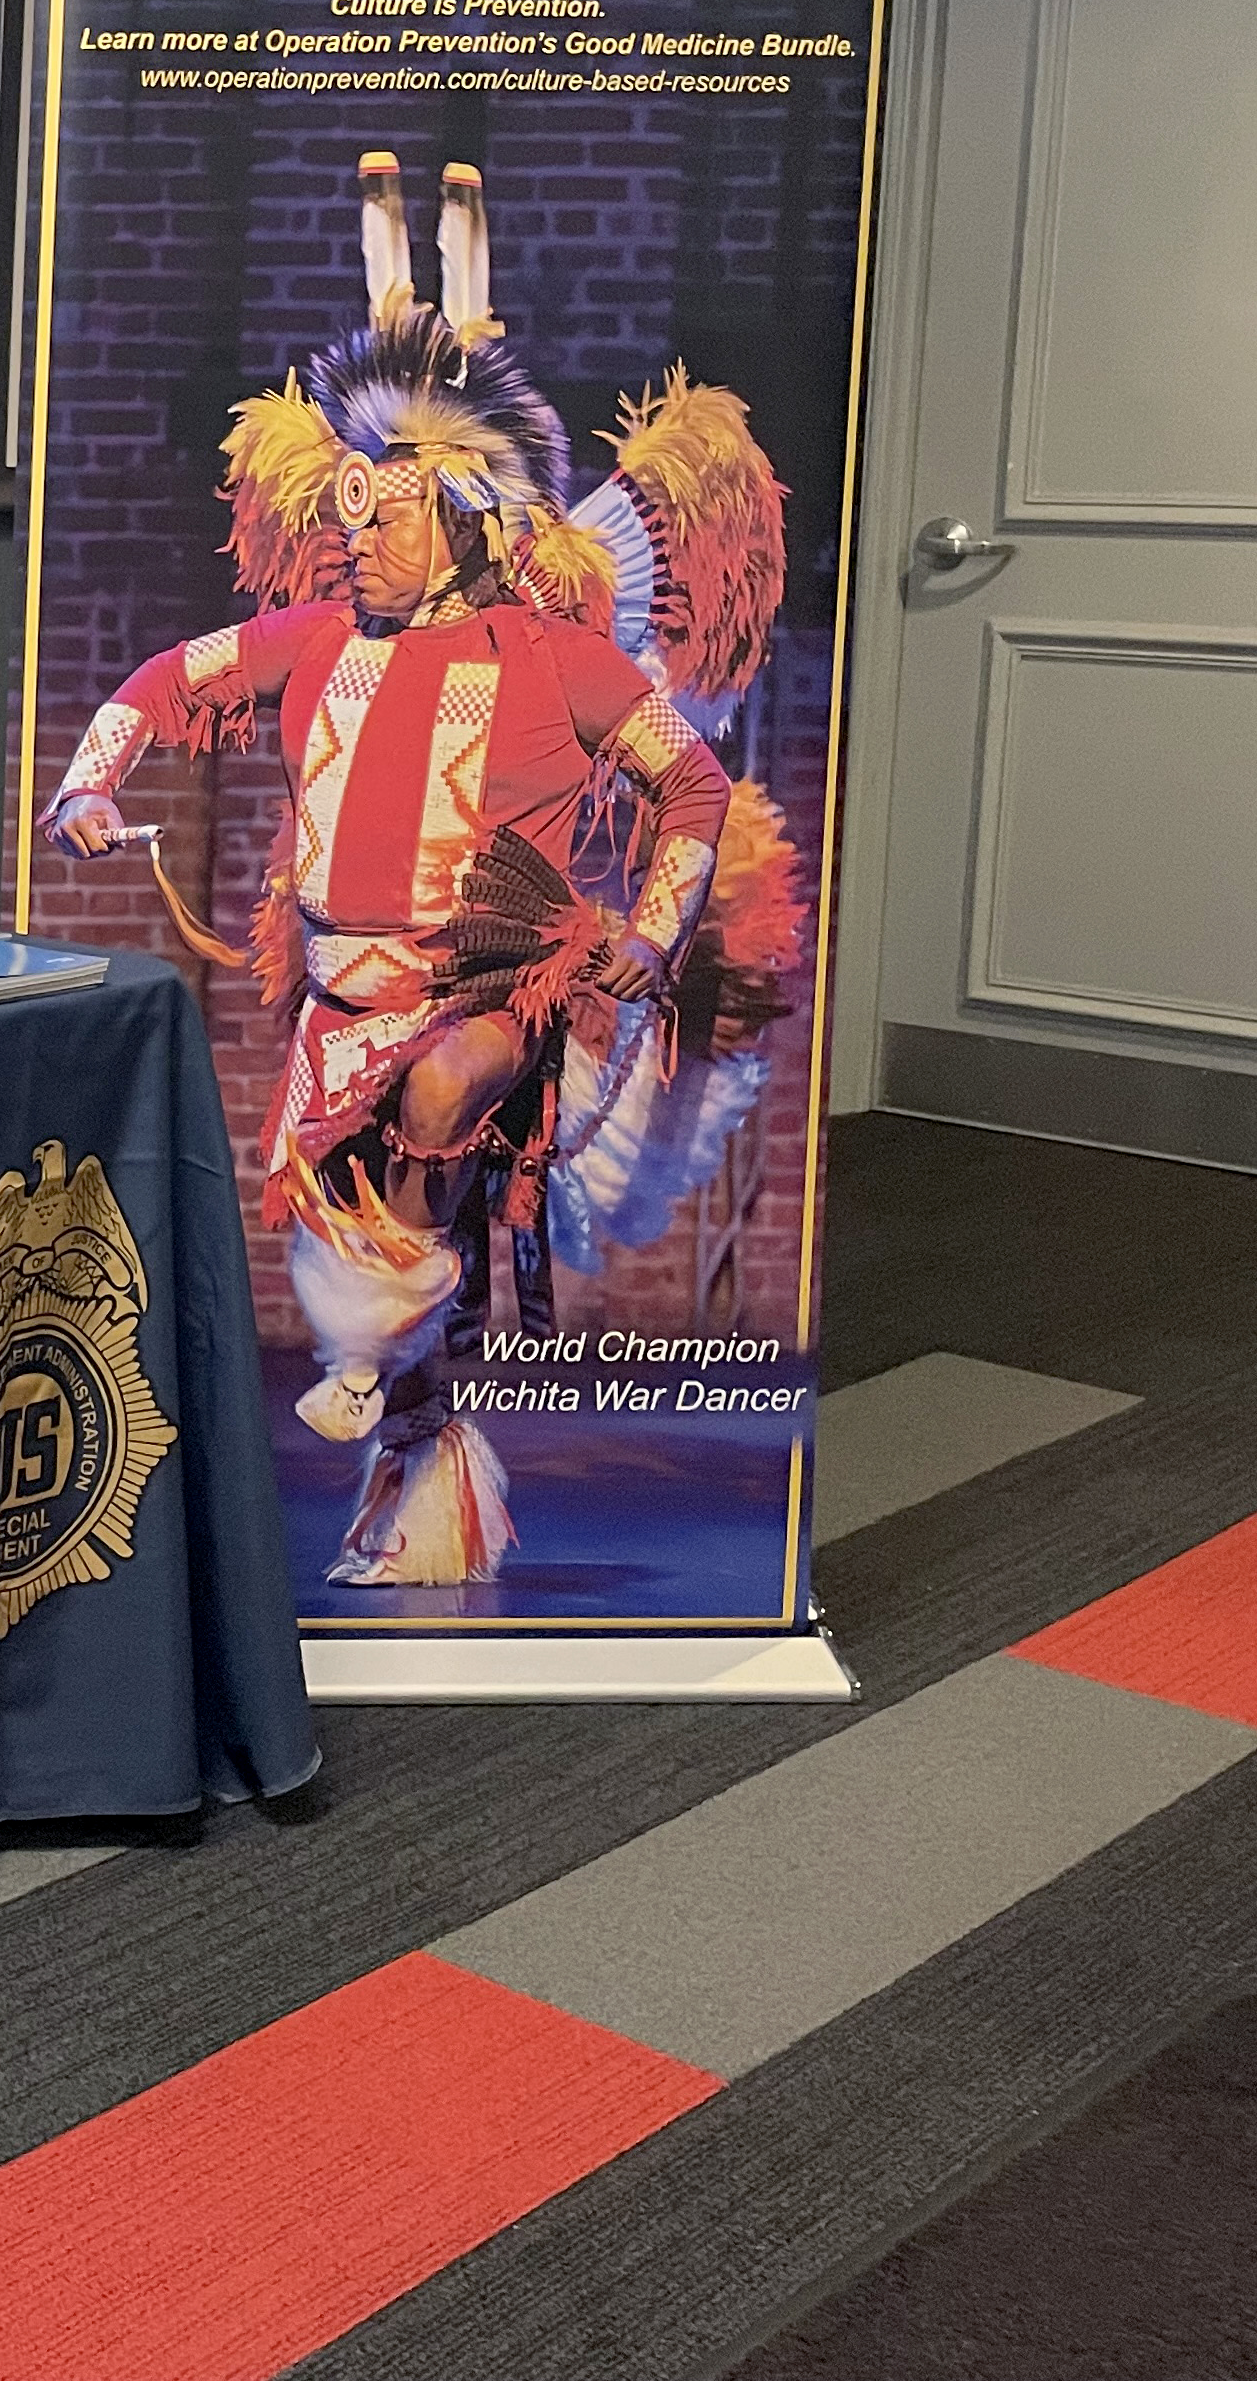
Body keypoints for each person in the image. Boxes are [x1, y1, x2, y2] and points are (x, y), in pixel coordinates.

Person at [45, 155, 792, 1587]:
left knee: (445, 1094)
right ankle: (426, 1490)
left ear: (464, 532)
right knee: (378, 1180)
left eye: (384, 520)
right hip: (337, 996)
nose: (351, 537)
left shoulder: (559, 661)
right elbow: (163, 675)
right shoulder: (315, 642)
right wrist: (92, 776)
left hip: (501, 986)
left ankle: (380, 1312)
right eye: (348, 516)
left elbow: (691, 784)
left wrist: (648, 922)